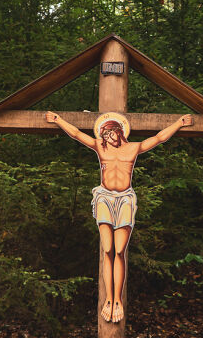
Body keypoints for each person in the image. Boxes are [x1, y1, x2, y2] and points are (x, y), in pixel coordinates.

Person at [44, 109, 193, 323]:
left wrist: (179, 123)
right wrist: (58, 120)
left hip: (125, 199)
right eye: (104, 136)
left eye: (111, 134)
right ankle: (108, 298)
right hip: (104, 197)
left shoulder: (133, 148)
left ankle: (118, 300)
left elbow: (159, 138)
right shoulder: (100, 147)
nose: (108, 138)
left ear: (119, 132)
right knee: (107, 249)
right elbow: (76, 134)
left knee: (120, 250)